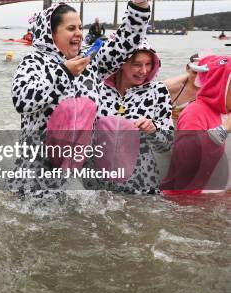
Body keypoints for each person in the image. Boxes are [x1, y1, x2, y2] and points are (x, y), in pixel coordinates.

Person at [8, 0, 152, 195]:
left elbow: (128, 41)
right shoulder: (34, 61)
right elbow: (22, 101)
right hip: (38, 168)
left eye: (80, 28)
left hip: (83, 166)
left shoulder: (91, 60)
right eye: (71, 28)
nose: (79, 34)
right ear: (50, 33)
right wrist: (63, 72)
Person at [90, 39, 174, 194]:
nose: (144, 71)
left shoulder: (158, 91)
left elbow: (167, 144)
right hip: (97, 185)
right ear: (120, 63)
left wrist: (153, 130)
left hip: (141, 184)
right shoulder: (97, 89)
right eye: (137, 64)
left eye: (148, 64)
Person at [162, 55, 231, 193]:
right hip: (191, 199)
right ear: (221, 85)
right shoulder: (195, 112)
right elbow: (186, 160)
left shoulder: (226, 112)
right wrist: (223, 130)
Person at [163, 54, 203, 125]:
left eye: (203, 73)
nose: (198, 77)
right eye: (195, 72)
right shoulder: (170, 86)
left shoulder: (216, 89)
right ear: (187, 68)